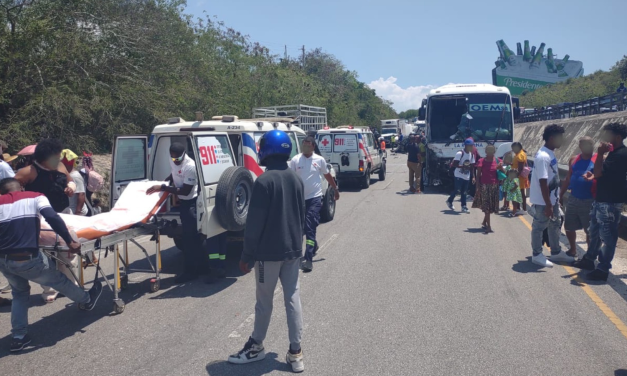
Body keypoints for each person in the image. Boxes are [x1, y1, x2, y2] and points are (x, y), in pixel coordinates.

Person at [229, 130, 306, 373]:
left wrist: (246, 255)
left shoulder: (263, 181)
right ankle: (296, 353)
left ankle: (256, 347)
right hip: (293, 250)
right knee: (292, 298)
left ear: (267, 149)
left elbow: (254, 224)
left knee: (264, 302)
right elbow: (301, 216)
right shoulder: (296, 179)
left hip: (267, 255)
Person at [0, 178, 102, 352]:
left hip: (4, 260)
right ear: (22, 187)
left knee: (19, 293)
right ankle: (86, 300)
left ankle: (19, 337)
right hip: (28, 258)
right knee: (58, 280)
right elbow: (52, 217)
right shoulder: (35, 197)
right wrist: (69, 241)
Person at [573, 123, 627, 282]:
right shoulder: (615, 153)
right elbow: (602, 173)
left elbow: (599, 172)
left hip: (610, 202)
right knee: (595, 232)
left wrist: (600, 153)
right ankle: (589, 259)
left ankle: (603, 269)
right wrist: (595, 175)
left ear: (617, 137)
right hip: (602, 199)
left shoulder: (620, 154)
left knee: (608, 236)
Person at [147, 142, 203, 283]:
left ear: (183, 155)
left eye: (178, 158)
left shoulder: (189, 166)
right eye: (173, 158)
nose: (175, 161)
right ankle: (199, 268)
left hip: (191, 203)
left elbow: (185, 191)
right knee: (189, 239)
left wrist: (163, 188)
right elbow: (174, 173)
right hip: (183, 203)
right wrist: (165, 182)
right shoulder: (174, 160)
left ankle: (191, 272)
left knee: (190, 240)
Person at [289, 136, 339, 273]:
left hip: (314, 198)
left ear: (313, 146)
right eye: (303, 144)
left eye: (307, 144)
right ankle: (313, 245)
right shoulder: (295, 160)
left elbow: (327, 175)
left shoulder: (319, 160)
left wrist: (335, 189)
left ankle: (308, 259)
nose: (305, 146)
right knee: (301, 228)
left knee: (310, 226)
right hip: (299, 199)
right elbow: (291, 179)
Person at [529, 124, 574, 268]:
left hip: (551, 199)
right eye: (561, 138)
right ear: (552, 138)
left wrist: (556, 199)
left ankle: (555, 252)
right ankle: (537, 255)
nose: (563, 140)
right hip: (544, 201)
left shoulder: (550, 153)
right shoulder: (543, 156)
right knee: (539, 226)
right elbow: (543, 182)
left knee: (555, 224)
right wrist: (548, 204)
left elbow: (551, 178)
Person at [15, 139, 75, 214]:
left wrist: (71, 187)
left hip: (64, 212)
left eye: (59, 158)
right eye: (55, 159)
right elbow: (9, 191)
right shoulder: (28, 172)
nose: (58, 161)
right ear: (44, 158)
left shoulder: (60, 166)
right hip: (39, 215)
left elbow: (71, 181)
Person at [559, 137, 596, 258]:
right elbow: (568, 178)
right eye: (584, 145)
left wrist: (593, 176)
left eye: (589, 144)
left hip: (590, 200)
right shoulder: (574, 159)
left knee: (589, 230)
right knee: (568, 226)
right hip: (573, 197)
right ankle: (573, 249)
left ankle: (590, 255)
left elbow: (603, 176)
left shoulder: (598, 159)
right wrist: (560, 194)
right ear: (580, 147)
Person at [472, 144, 500, 233]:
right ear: (486, 151)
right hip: (484, 186)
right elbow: (478, 175)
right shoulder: (481, 161)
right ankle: (489, 227)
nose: (490, 152)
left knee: (491, 207)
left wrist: (501, 168)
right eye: (489, 150)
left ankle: (484, 222)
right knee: (487, 207)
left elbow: (505, 173)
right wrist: (477, 187)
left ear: (494, 151)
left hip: (494, 186)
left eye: (492, 150)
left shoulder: (498, 161)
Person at [446, 138, 475, 213]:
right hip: (458, 174)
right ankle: (449, 201)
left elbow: (472, 167)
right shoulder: (460, 153)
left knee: (464, 191)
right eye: (470, 146)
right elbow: (455, 164)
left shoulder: (471, 155)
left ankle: (463, 206)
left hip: (466, 176)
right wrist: (463, 167)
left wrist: (473, 176)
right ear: (466, 146)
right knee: (457, 190)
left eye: (472, 146)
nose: (472, 147)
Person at [61, 150, 88, 216]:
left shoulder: (75, 176)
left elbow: (81, 194)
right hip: (69, 210)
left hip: (75, 212)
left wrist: (78, 212)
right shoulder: (67, 175)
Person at [511, 142, 529, 212]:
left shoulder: (520, 155)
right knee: (520, 192)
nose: (512, 150)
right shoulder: (520, 153)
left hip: (518, 177)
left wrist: (515, 177)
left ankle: (521, 209)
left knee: (519, 193)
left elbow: (520, 168)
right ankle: (522, 209)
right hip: (519, 177)